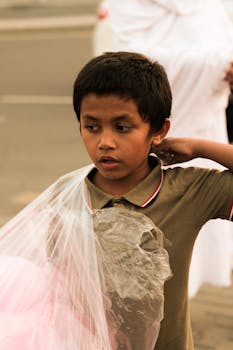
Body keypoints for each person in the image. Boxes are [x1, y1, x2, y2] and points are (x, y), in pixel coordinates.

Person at [0, 51, 233, 349]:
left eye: (122, 127)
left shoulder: (189, 191)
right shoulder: (67, 195)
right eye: (92, 126)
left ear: (159, 130)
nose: (105, 142)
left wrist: (200, 147)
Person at [107, 0, 233, 297]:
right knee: (152, 249)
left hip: (206, 130)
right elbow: (133, 62)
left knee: (197, 245)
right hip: (149, 135)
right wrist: (217, 64)